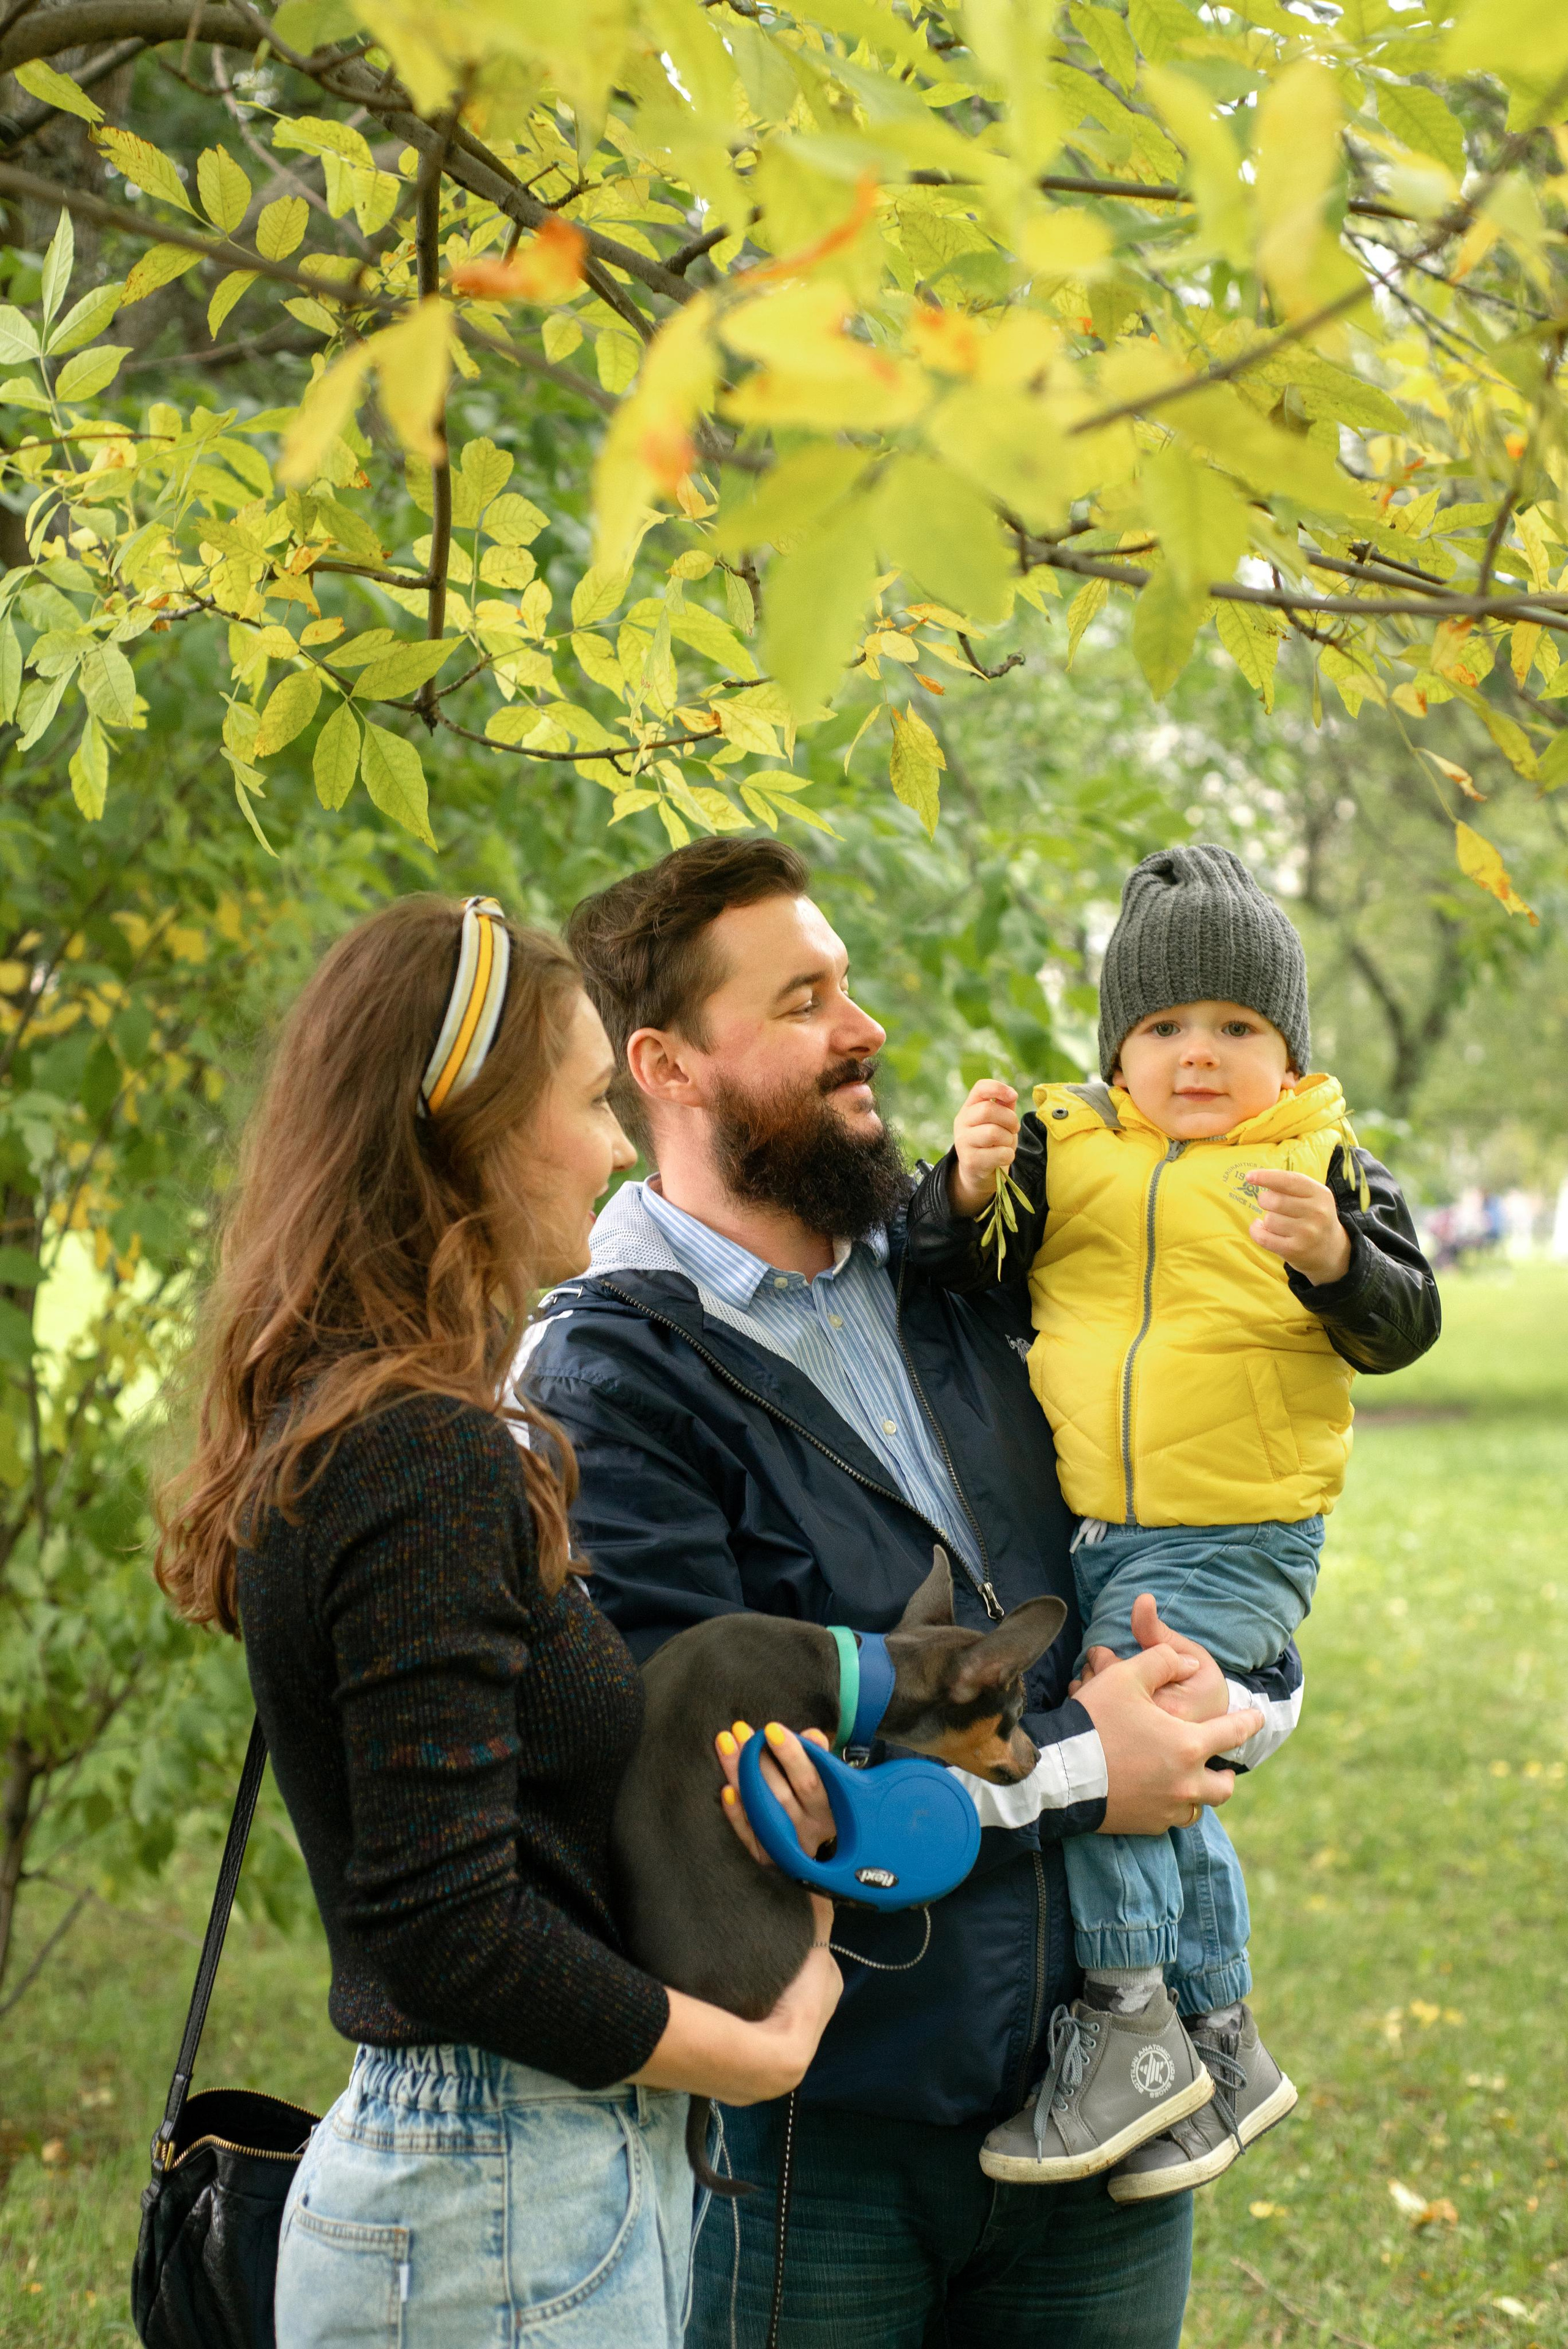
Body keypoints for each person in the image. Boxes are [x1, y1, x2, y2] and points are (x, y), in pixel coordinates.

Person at [521, 839, 1306, 2349]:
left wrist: (1230, 1694)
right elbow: (703, 1788)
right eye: (802, 1002)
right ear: (665, 1066)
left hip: (1112, 2096)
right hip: (821, 2142)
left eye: (847, 985)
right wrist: (1089, 1771)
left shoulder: (972, 1270)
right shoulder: (610, 1375)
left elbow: (1184, 1526)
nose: (863, 1027)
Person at [154, 893, 841, 2348]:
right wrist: (753, 2054)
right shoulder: (419, 1454)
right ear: (464, 1133)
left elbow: (479, 1841)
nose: (615, 1148)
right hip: (498, 2208)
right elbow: (446, 1925)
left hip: (499, 2194)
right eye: (588, 1101)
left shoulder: (361, 1423)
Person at [910, 843, 1439, 2202]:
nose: (1197, 1053)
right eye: (1163, 1027)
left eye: (1236, 1026)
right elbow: (949, 1271)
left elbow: (1405, 1322)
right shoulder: (1068, 1152)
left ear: (1289, 1050)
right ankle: (1223, 2037)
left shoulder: (1322, 1163)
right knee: (1156, 1743)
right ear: (1117, 1049)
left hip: (1238, 1525)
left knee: (1123, 1731)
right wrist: (965, 1187)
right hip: (1102, 1526)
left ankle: (1131, 2017)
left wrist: (1336, 1258)